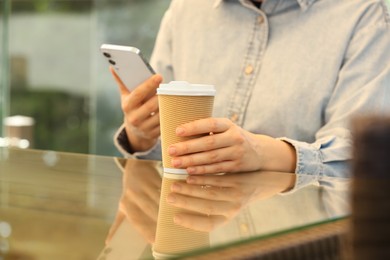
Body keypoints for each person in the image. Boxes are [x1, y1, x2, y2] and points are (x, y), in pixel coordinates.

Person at [110, 0, 390, 229]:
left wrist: (266, 153)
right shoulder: (186, 9)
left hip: (302, 245)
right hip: (197, 242)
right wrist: (142, 137)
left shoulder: (366, 14)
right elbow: (169, 156)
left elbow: (364, 159)